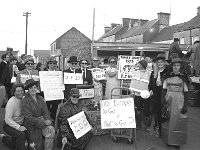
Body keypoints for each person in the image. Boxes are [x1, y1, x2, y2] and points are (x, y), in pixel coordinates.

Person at [161, 58, 190, 148]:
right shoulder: (166, 77)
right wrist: (163, 102)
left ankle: (176, 142)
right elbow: (164, 90)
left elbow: (186, 92)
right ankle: (168, 140)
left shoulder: (183, 78)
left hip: (179, 101)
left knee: (178, 120)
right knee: (168, 121)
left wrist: (185, 105)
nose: (176, 67)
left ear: (180, 67)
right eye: (174, 66)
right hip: (168, 100)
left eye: (178, 66)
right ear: (172, 66)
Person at [21, 79, 55, 150]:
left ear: (37, 88)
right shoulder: (25, 101)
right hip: (31, 125)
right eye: (31, 88)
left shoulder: (40, 98)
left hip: (42, 122)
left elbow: (46, 112)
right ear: (28, 89)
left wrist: (48, 120)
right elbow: (29, 118)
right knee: (36, 147)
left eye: (34, 87)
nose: (33, 89)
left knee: (51, 130)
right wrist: (43, 122)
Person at [149, 54, 169, 137]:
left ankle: (164, 130)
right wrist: (150, 89)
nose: (160, 63)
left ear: (164, 63)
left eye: (161, 62)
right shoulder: (154, 72)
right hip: (155, 96)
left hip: (164, 95)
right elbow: (150, 83)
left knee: (164, 113)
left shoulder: (167, 72)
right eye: (158, 62)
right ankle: (157, 129)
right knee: (156, 113)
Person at [3, 83, 27, 150]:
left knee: (14, 145)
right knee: (21, 135)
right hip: (8, 125)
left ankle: (4, 138)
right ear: (14, 92)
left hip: (20, 122)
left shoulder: (24, 98)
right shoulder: (11, 102)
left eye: (22, 90)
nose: (20, 92)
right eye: (18, 91)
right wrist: (19, 127)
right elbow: (7, 119)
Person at [130, 59, 151, 129]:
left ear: (143, 65)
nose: (138, 65)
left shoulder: (149, 73)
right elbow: (132, 83)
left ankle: (146, 126)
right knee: (138, 109)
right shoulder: (135, 72)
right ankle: (138, 125)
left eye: (139, 64)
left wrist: (151, 91)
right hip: (137, 94)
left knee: (146, 110)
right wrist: (132, 92)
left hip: (146, 95)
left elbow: (151, 83)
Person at [45, 57, 61, 123]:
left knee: (55, 110)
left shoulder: (59, 73)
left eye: (54, 63)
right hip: (47, 94)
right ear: (48, 64)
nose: (52, 65)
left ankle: (54, 123)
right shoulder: (44, 73)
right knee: (46, 110)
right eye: (50, 63)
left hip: (56, 95)